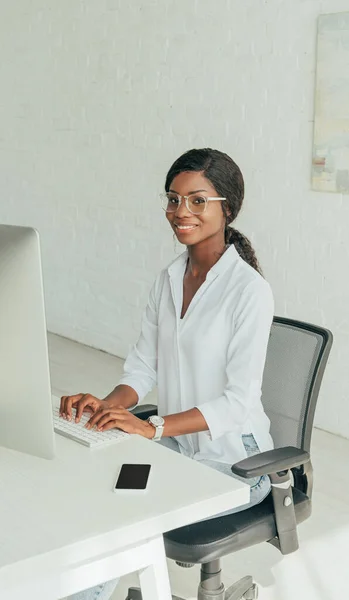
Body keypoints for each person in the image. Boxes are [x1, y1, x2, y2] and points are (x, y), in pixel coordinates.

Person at [60, 148, 274, 600]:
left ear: (227, 208)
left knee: (127, 521)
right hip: (178, 449)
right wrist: (106, 405)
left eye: (198, 201)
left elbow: (237, 404)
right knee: (104, 500)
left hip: (238, 463)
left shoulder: (249, 292)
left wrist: (151, 427)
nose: (181, 212)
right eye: (174, 200)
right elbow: (142, 367)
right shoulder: (169, 277)